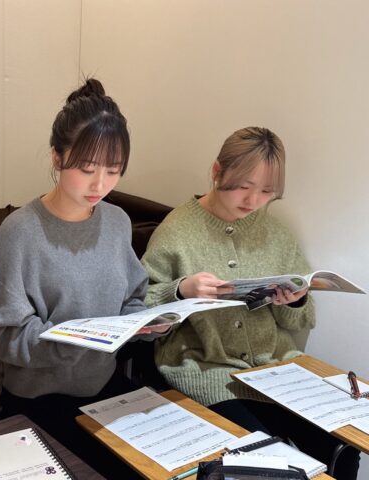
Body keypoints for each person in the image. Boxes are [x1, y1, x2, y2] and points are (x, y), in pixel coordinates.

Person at [140, 126, 359, 479]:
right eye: (243, 186)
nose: (253, 200)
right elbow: (139, 310)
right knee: (266, 458)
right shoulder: (177, 231)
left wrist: (294, 302)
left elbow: (303, 320)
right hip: (209, 372)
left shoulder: (276, 234)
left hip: (278, 370)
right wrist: (180, 291)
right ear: (217, 171)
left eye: (266, 192)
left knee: (342, 448)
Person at [0, 78, 169, 477]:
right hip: (38, 398)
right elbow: (6, 338)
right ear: (57, 157)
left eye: (113, 171)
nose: (100, 184)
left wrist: (145, 323)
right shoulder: (20, 231)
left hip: (103, 389)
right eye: (86, 169)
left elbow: (132, 300)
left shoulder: (117, 222)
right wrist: (76, 338)